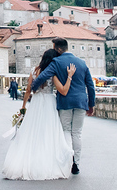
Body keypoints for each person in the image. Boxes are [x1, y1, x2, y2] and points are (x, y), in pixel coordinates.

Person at [2, 49, 75, 180]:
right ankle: (48, 161)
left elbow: (28, 90)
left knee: (31, 131)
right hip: (48, 103)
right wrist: (69, 76)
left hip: (35, 103)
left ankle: (28, 161)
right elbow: (63, 90)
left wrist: (23, 106)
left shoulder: (34, 71)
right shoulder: (53, 73)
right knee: (48, 133)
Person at [31, 37, 95, 175]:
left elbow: (43, 76)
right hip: (81, 102)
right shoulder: (82, 63)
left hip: (65, 102)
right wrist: (91, 104)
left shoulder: (56, 62)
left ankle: (67, 162)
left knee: (66, 131)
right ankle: (76, 163)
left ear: (57, 49)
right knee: (77, 133)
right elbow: (90, 86)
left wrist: (33, 87)